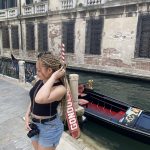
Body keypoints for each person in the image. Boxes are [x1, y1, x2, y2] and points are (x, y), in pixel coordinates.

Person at [25, 52, 66, 150]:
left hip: (50, 127)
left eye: (39, 71)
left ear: (49, 70)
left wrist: (54, 77)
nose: (37, 73)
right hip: (35, 124)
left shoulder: (60, 88)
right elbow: (33, 98)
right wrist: (27, 115)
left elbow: (39, 99)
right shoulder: (40, 81)